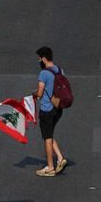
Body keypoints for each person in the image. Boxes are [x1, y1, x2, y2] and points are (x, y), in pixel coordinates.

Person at [33, 47, 67, 177]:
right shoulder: (59, 70)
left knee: (47, 138)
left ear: (44, 58)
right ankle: (60, 158)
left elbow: (40, 93)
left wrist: (34, 94)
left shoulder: (44, 73)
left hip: (46, 109)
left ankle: (50, 167)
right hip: (58, 108)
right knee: (50, 133)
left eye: (39, 58)